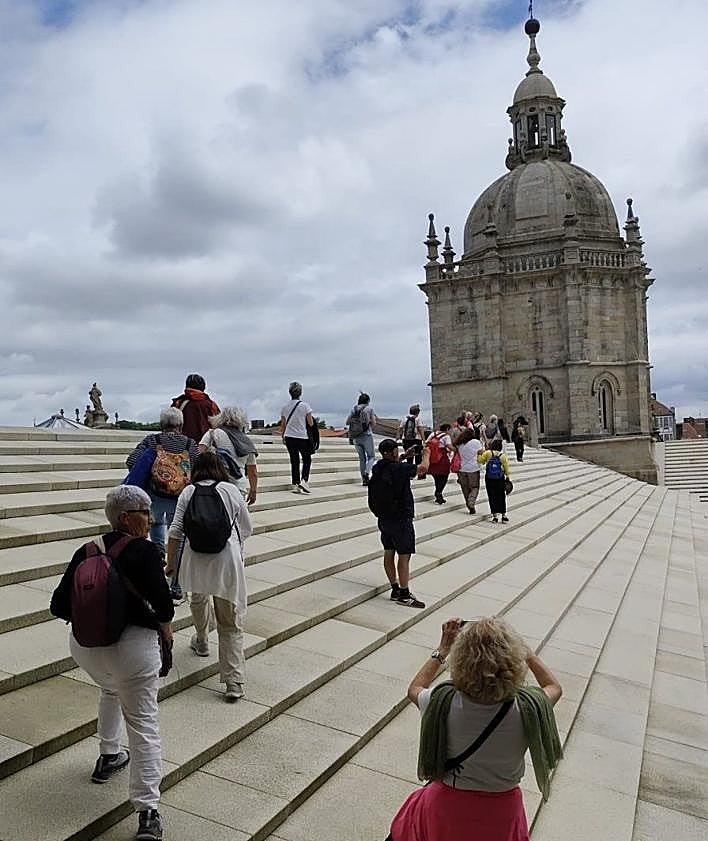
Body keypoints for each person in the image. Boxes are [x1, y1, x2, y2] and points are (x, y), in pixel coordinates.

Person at [50, 485, 174, 841]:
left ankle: (108, 755)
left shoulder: (86, 550)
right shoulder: (145, 551)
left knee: (109, 689)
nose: (152, 519)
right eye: (146, 512)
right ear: (126, 518)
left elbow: (58, 606)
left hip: (86, 647)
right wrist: (164, 633)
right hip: (132, 648)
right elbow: (164, 608)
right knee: (143, 724)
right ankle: (147, 811)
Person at [386, 616, 562, 841]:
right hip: (502, 813)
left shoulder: (443, 702)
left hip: (445, 808)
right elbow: (554, 686)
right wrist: (527, 652)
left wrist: (442, 649)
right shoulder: (527, 707)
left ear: (461, 661)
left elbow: (415, 688)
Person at [165, 452, 252, 703]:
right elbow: (247, 528)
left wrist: (171, 563)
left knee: (198, 599)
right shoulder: (231, 490)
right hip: (226, 560)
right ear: (219, 469)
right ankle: (233, 681)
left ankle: (202, 640)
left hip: (195, 559)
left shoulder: (188, 491)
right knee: (230, 622)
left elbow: (175, 530)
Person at [368, 439, 425, 609]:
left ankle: (395, 589)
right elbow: (423, 469)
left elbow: (391, 466)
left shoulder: (378, 467)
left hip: (384, 518)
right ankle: (404, 593)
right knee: (404, 555)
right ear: (392, 451)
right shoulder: (400, 469)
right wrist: (427, 455)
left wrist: (404, 456)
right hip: (401, 518)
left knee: (388, 552)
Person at [199, 406, 258, 505]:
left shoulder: (213, 433)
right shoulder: (247, 441)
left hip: (215, 483)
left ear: (222, 417)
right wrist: (253, 491)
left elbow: (199, 454)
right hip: (238, 486)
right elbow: (252, 471)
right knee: (236, 518)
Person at [279, 381, 315, 494]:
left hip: (289, 436)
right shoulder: (305, 406)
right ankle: (304, 480)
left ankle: (295, 483)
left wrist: (283, 436)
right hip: (302, 437)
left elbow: (283, 425)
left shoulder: (285, 408)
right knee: (307, 459)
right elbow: (310, 423)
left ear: (290, 393)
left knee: (294, 460)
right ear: (300, 393)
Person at [171, 374, 220, 443]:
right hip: (205, 446)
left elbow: (169, 425)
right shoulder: (211, 404)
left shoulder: (178, 403)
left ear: (186, 386)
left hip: (180, 446)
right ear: (203, 387)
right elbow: (218, 426)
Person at [346, 393, 377, 486]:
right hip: (366, 435)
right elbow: (374, 423)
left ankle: (363, 478)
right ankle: (367, 473)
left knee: (362, 458)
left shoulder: (354, 409)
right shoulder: (369, 409)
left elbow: (347, 422)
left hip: (356, 436)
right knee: (371, 456)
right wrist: (369, 421)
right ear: (368, 401)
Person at [478, 439, 512, 523]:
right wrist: (507, 477)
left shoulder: (488, 453)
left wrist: (479, 454)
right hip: (499, 478)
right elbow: (506, 468)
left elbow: (480, 461)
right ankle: (504, 515)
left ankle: (495, 516)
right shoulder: (502, 456)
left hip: (489, 478)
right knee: (501, 496)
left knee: (491, 496)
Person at [454, 428, 484, 514]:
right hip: (473, 468)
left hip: (461, 469)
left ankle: (469, 505)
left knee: (465, 488)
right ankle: (471, 502)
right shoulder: (476, 442)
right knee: (475, 487)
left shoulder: (459, 443)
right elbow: (482, 452)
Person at [424, 423, 454, 504]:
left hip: (433, 457)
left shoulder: (433, 434)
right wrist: (456, 450)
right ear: (447, 429)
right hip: (442, 457)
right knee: (444, 475)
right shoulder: (446, 436)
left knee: (436, 476)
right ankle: (438, 492)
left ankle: (438, 493)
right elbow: (449, 446)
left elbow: (426, 443)